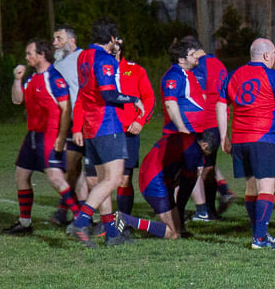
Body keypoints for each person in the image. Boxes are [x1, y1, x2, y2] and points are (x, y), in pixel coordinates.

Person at [219, 38, 275, 249]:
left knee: (251, 189)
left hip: (240, 140)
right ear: (266, 55)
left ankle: (260, 234)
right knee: (266, 188)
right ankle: (260, 239)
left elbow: (221, 106)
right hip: (262, 139)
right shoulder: (274, 77)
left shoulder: (233, 75)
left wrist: (225, 136)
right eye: (274, 53)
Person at [68, 18, 145, 248]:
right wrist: (134, 99)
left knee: (103, 180)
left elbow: (85, 92)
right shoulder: (104, 60)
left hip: (91, 125)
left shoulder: (83, 56)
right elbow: (109, 94)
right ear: (111, 39)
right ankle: (81, 221)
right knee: (113, 179)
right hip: (106, 124)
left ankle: (112, 233)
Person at [3, 39, 81, 235]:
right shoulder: (31, 78)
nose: (27, 57)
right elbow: (17, 100)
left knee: (55, 179)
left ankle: (82, 220)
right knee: (21, 176)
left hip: (50, 134)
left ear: (41, 55)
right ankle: (25, 223)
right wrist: (17, 80)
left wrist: (61, 138)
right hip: (33, 136)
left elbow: (66, 109)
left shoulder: (54, 78)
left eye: (30, 53)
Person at [133, 40, 205, 240]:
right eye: (192, 54)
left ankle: (178, 218)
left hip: (188, 140)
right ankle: (123, 220)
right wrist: (183, 130)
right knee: (172, 234)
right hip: (156, 176)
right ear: (181, 59)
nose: (197, 56)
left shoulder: (188, 75)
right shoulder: (173, 76)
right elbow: (171, 104)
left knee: (192, 174)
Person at [181, 36, 235, 221]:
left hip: (204, 123)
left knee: (196, 168)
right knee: (208, 167)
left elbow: (199, 96)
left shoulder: (199, 66)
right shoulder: (218, 63)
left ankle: (203, 210)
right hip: (218, 121)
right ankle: (212, 208)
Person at [113, 39, 155, 216]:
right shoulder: (97, 70)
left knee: (124, 178)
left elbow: (149, 98)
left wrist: (140, 120)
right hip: (103, 132)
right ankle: (104, 220)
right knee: (100, 179)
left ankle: (123, 220)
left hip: (127, 132)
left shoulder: (135, 70)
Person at [51, 24, 86, 225]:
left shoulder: (83, 58)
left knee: (80, 171)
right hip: (70, 120)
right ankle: (73, 213)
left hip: (83, 120)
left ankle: (71, 212)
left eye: (59, 38)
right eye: (54, 39)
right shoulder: (58, 63)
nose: (55, 43)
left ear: (72, 41)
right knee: (74, 168)